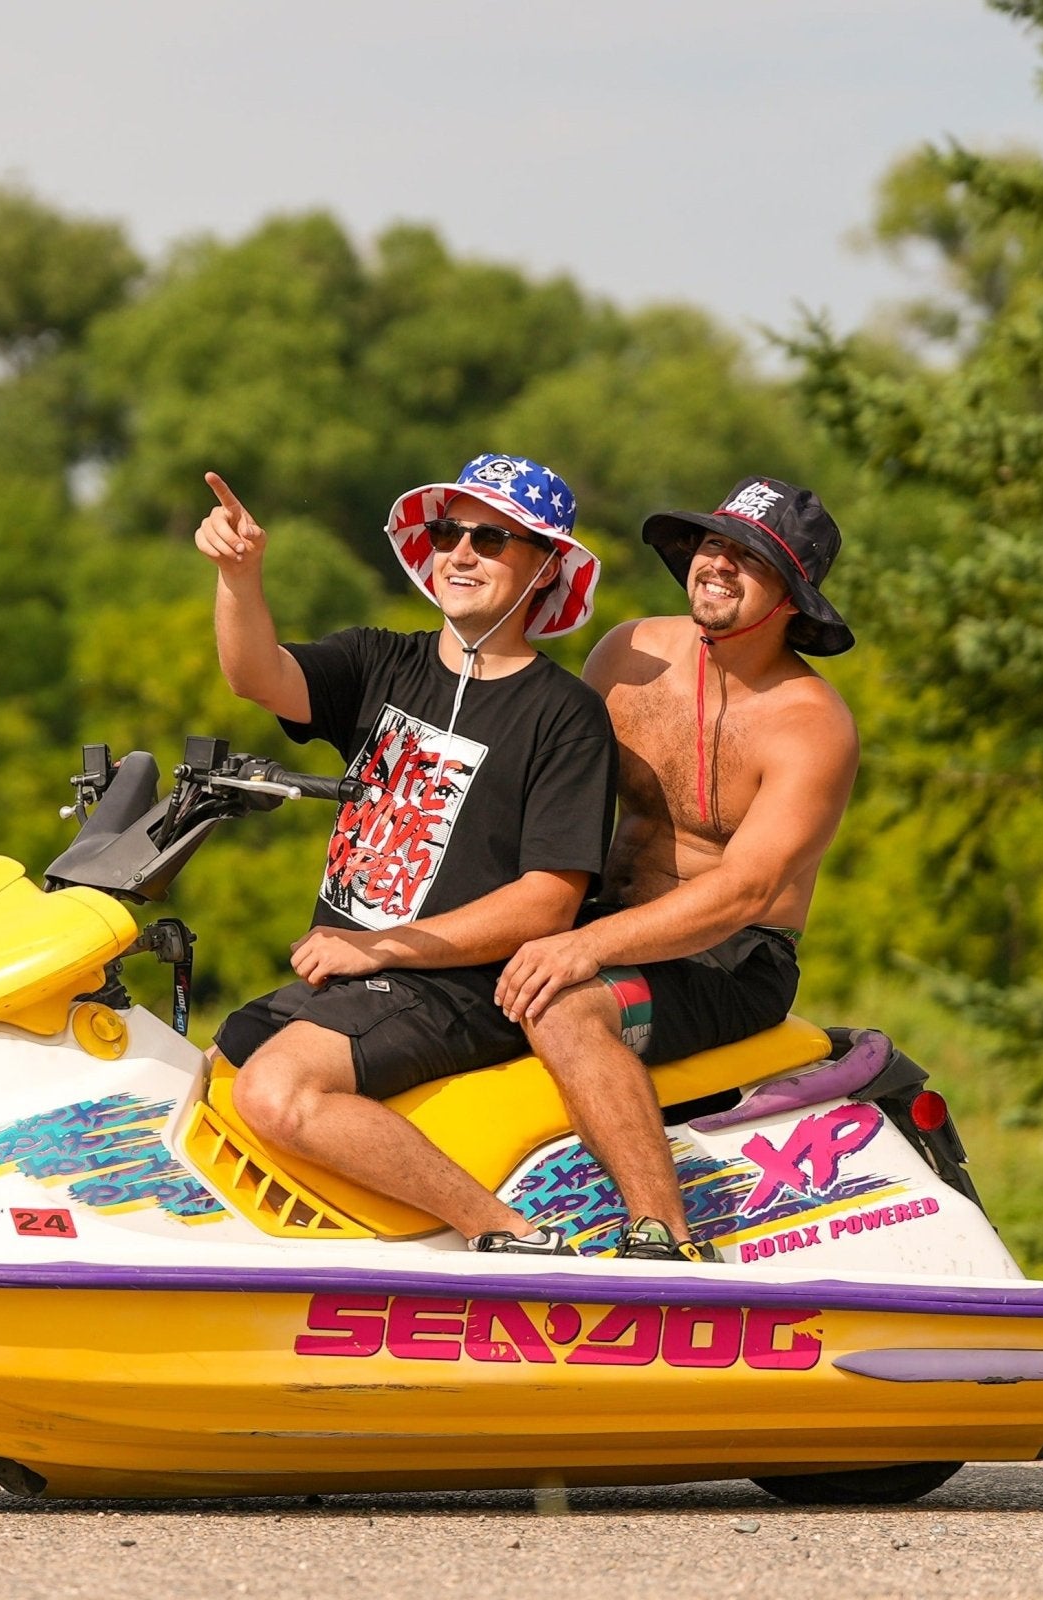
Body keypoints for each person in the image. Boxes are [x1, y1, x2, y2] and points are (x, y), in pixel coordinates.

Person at [195, 454, 617, 1254]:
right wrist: (240, 578)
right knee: (204, 1078)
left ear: (545, 566)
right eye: (450, 531)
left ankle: (509, 1234)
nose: (461, 552)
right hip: (361, 981)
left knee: (275, 1090)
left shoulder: (568, 716)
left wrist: (376, 947)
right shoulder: (379, 661)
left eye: (491, 538)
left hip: (460, 989)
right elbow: (257, 676)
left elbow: (548, 902)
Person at [494, 476, 860, 1264]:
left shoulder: (810, 725)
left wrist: (585, 949)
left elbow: (745, 890)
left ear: (792, 596)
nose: (719, 565)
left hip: (729, 957)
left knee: (563, 1007)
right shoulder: (629, 651)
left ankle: (664, 1238)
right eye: (714, 544)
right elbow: (548, 792)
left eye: (751, 558)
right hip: (596, 921)